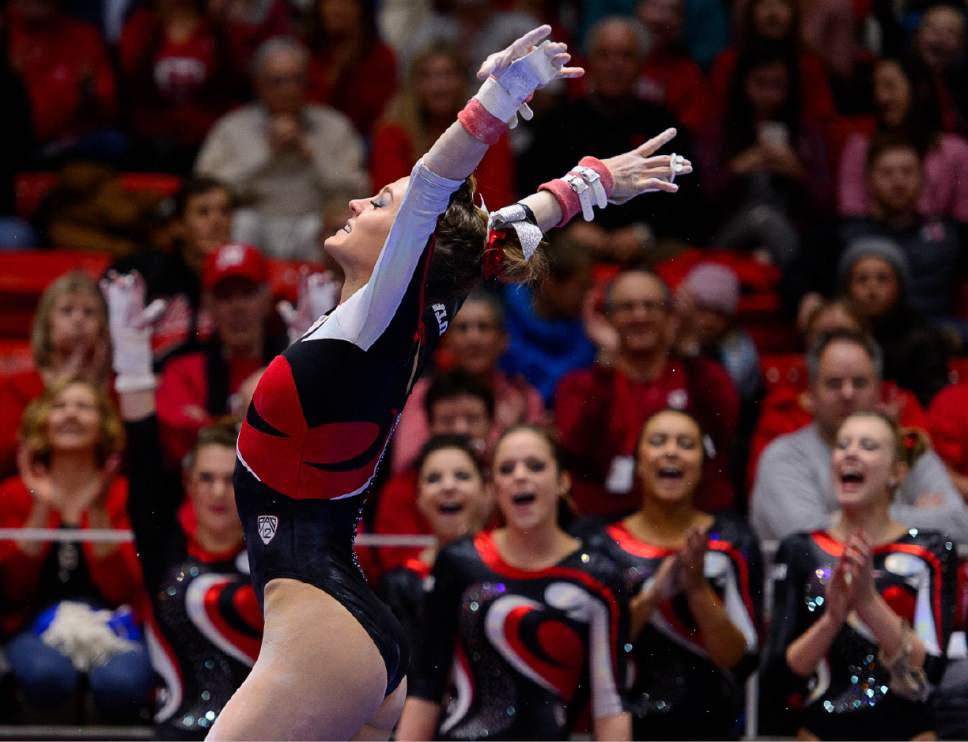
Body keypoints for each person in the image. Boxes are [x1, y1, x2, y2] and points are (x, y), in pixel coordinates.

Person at [209, 24, 690, 738]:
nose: (355, 206)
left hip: (319, 624)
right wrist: (589, 187)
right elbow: (488, 237)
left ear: (410, 242)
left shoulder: (374, 322)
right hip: (333, 617)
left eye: (376, 204)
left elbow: (434, 188)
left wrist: (500, 94)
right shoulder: (411, 315)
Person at [102, 271, 263, 738]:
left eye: (229, 480)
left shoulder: (273, 551)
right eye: (205, 479)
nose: (217, 493)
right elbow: (145, 462)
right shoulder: (165, 550)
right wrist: (133, 365)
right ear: (189, 485)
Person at [396, 425, 632, 740]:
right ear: (494, 488)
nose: (520, 476)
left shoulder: (600, 578)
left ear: (563, 481)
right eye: (507, 469)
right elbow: (427, 686)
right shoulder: (460, 563)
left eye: (535, 466)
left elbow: (610, 705)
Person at [761, 411, 958, 739]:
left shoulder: (930, 552)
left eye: (868, 446)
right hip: (820, 732)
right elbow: (778, 678)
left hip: (908, 732)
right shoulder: (801, 549)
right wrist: (833, 618)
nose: (850, 452)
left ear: (897, 473)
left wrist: (868, 601)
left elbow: (930, 672)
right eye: (842, 445)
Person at [586, 409, 761, 739]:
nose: (671, 451)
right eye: (657, 441)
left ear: (702, 466)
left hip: (714, 728)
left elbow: (739, 660)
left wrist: (696, 590)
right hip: (629, 730)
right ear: (638, 462)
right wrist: (651, 598)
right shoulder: (601, 545)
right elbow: (595, 658)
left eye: (685, 443)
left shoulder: (731, 540)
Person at [0, 379, 151, 721]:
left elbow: (122, 591)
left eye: (84, 407)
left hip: (114, 626)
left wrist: (97, 510)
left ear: (104, 425)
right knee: (46, 676)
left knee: (122, 683)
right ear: (42, 420)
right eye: (60, 406)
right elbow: (13, 590)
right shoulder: (12, 493)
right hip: (32, 626)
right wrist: (41, 507)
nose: (71, 414)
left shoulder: (124, 494)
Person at [751, 329, 968, 543]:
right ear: (812, 392)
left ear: (878, 390)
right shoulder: (783, 457)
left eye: (860, 382)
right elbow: (808, 542)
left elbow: (960, 524)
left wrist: (839, 519)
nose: (848, 394)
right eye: (834, 383)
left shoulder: (908, 447)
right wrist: (913, 517)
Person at [556, 268, 739, 517]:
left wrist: (688, 347)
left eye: (651, 306)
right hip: (608, 527)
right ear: (607, 317)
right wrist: (607, 368)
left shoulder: (704, 376)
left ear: (670, 315)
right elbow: (580, 451)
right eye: (627, 307)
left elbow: (721, 435)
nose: (640, 316)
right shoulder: (580, 385)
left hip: (695, 516)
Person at [519, 16, 696, 252]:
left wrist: (646, 232)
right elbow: (528, 187)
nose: (615, 65)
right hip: (571, 241)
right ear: (589, 61)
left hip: (647, 244)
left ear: (642, 63)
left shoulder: (664, 124)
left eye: (625, 55)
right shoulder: (557, 122)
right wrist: (568, 227)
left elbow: (686, 198)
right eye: (604, 55)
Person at [195, 36, 368, 261]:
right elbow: (205, 190)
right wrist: (266, 154)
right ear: (258, 84)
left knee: (323, 229)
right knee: (244, 223)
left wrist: (311, 154)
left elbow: (360, 188)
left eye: (296, 80)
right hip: (256, 221)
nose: (288, 90)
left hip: (313, 221)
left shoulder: (334, 126)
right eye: (277, 81)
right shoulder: (231, 128)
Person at [700, 43, 832, 269]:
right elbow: (700, 198)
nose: (768, 95)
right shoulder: (719, 130)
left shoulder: (806, 132)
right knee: (765, 218)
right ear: (743, 84)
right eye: (760, 84)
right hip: (728, 232)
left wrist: (797, 172)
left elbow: (827, 201)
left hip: (793, 233)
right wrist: (736, 169)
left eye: (777, 85)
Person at [155, 242, 287, 465]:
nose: (237, 307)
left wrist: (207, 424)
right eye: (225, 296)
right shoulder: (183, 371)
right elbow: (176, 442)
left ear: (267, 300)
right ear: (208, 305)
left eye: (247, 294)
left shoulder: (291, 369)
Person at [391, 290, 545, 475]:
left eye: (484, 327)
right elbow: (406, 464)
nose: (474, 338)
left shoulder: (524, 396)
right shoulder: (420, 394)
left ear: (504, 339)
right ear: (446, 340)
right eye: (463, 328)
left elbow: (537, 463)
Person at [371, 368, 496, 576]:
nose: (460, 430)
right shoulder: (401, 490)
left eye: (472, 419)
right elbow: (400, 571)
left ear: (491, 424)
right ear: (429, 425)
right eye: (447, 420)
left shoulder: (506, 483)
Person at [377, 434, 490, 650]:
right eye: (433, 479)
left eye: (462, 476)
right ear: (419, 499)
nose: (448, 486)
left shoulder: (510, 569)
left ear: (486, 491)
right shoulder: (400, 584)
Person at [370, 42, 515, 209]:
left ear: (462, 82)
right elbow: (388, 202)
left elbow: (494, 202)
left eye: (448, 74)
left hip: (475, 230)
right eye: (427, 76)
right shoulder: (392, 134)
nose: (439, 86)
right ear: (413, 85)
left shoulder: (490, 131)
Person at [840, 136, 963, 324]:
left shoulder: (951, 234)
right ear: (869, 179)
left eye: (907, 172)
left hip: (934, 334)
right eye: (887, 173)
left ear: (923, 177)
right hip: (863, 338)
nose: (898, 182)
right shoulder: (844, 234)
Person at [0, 271, 111, 479]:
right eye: (67, 311)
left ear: (103, 327)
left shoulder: (116, 388)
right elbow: (5, 456)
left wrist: (98, 394)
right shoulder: (18, 387)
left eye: (89, 313)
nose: (78, 320)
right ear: (46, 326)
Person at [110, 175, 234, 360]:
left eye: (224, 212)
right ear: (178, 226)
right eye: (203, 212)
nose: (217, 222)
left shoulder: (242, 282)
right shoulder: (142, 273)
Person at [837, 56, 968, 223]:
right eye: (876, 87)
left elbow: (964, 217)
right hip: (873, 243)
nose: (881, 97)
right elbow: (851, 213)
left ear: (919, 89)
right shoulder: (859, 147)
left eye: (890, 86)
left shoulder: (956, 151)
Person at [119, 0, 234, 172]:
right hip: (151, 138)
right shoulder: (142, 25)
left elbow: (231, 85)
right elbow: (128, 79)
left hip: (205, 137)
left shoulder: (216, 29)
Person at [837, 235, 950, 406]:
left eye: (882, 279)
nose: (872, 288)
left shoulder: (922, 338)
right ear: (847, 287)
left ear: (900, 286)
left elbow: (935, 401)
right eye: (862, 279)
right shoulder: (837, 330)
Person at [5, 0, 118, 156]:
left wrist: (89, 93)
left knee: (111, 143)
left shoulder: (84, 37)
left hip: (70, 144)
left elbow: (109, 105)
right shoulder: (6, 34)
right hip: (17, 146)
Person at [499, 232, 597, 405]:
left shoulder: (587, 325)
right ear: (550, 283)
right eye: (581, 287)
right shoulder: (505, 319)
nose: (589, 296)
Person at [306, 0, 398, 138]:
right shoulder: (304, 51)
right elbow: (308, 108)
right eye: (330, 2)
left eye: (347, 3)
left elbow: (376, 116)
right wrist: (335, 72)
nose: (337, 10)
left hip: (364, 140)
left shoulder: (381, 56)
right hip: (312, 135)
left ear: (362, 10)